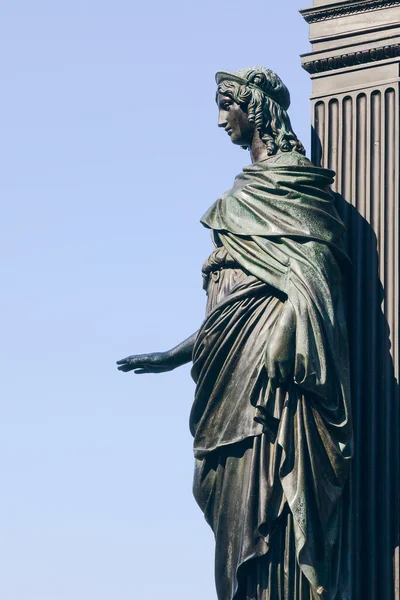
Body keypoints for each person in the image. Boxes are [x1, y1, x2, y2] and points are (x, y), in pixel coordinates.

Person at [117, 67, 353, 600]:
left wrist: (289, 337)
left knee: (267, 482)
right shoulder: (237, 196)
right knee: (223, 487)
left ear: (256, 107)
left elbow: (313, 272)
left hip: (274, 362)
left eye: (228, 105)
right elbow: (225, 300)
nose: (221, 118)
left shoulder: (296, 184)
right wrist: (176, 354)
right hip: (224, 364)